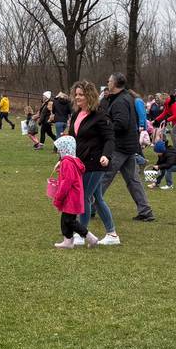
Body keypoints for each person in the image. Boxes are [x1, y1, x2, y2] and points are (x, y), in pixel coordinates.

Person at [68, 80, 119, 246]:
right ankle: (112, 234)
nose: (77, 98)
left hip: (97, 163)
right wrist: (64, 158)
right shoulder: (76, 114)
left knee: (84, 197)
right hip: (81, 163)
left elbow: (110, 138)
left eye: (81, 95)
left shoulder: (100, 115)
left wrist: (106, 155)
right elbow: (72, 139)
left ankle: (82, 234)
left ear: (90, 96)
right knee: (96, 198)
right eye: (76, 94)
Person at [99, 73, 155, 222]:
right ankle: (145, 211)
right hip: (129, 146)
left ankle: (90, 206)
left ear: (116, 83)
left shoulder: (120, 101)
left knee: (104, 176)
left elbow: (121, 124)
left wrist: (105, 127)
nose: (107, 82)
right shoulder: (126, 98)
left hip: (120, 147)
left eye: (109, 81)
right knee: (133, 180)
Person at [50, 136, 98, 248]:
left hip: (70, 197)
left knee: (70, 221)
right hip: (74, 196)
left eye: (58, 148)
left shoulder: (67, 162)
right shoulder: (72, 161)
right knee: (66, 220)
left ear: (63, 149)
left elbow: (67, 182)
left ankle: (91, 238)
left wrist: (59, 197)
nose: (57, 151)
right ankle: (67, 241)